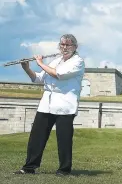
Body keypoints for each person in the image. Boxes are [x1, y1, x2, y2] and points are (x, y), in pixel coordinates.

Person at [14, 34, 85, 176]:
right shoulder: (56, 60)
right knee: (36, 136)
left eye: (68, 45)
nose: (64, 47)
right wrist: (26, 68)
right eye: (62, 45)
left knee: (63, 139)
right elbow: (38, 78)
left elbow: (58, 74)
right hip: (46, 104)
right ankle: (29, 167)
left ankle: (64, 169)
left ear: (75, 47)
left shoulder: (78, 61)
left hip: (65, 105)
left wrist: (40, 63)